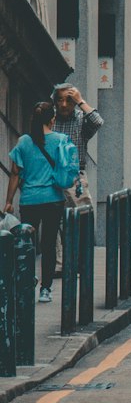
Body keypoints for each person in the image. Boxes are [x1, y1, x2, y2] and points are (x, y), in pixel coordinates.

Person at [3, 101, 79, 303]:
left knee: (27, 243)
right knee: (48, 244)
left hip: (29, 200)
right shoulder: (61, 140)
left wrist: (8, 201)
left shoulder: (23, 142)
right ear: (52, 119)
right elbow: (68, 169)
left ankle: (27, 279)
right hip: (53, 199)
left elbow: (15, 173)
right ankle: (45, 289)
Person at [52, 82, 102, 204]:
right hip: (51, 175)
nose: (64, 105)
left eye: (69, 101)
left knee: (81, 218)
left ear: (74, 102)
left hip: (75, 176)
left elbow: (97, 122)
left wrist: (80, 101)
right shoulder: (49, 118)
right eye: (60, 100)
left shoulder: (80, 119)